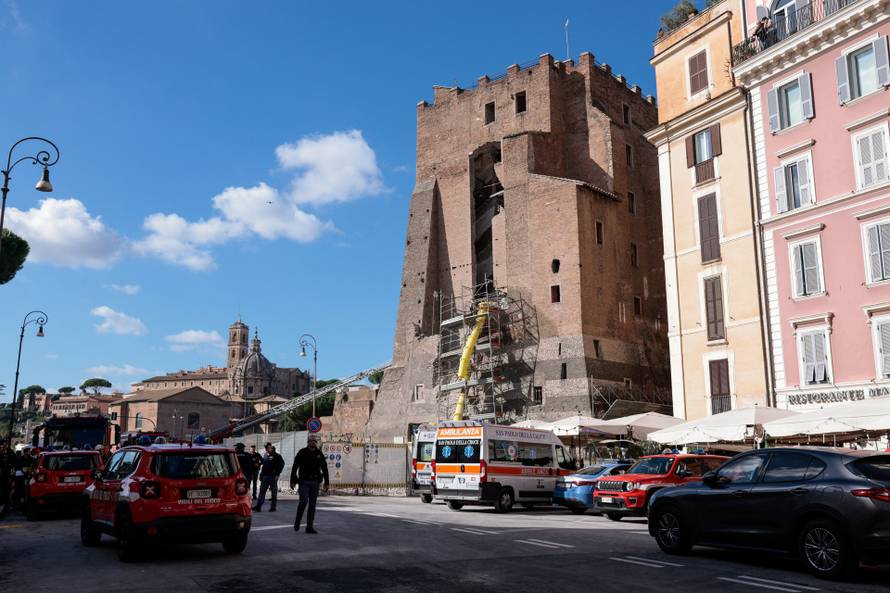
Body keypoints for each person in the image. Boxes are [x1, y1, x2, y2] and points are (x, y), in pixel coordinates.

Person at [290, 435, 329, 534]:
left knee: (312, 505)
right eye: (311, 441)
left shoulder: (319, 453)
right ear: (308, 442)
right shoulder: (302, 452)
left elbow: (324, 468)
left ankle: (309, 526)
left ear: (316, 443)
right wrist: (293, 481)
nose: (313, 442)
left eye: (314, 441)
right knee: (303, 502)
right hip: (304, 482)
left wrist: (326, 482)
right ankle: (298, 521)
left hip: (315, 482)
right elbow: (295, 467)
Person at [253, 443, 284, 512]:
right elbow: (264, 466)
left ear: (271, 447)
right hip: (265, 476)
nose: (266, 449)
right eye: (266, 447)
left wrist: (277, 474)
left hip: (273, 477)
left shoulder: (276, 456)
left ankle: (273, 507)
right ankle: (258, 506)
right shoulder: (265, 455)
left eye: (268, 447)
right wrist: (261, 475)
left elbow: (281, 464)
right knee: (261, 492)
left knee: (273, 493)